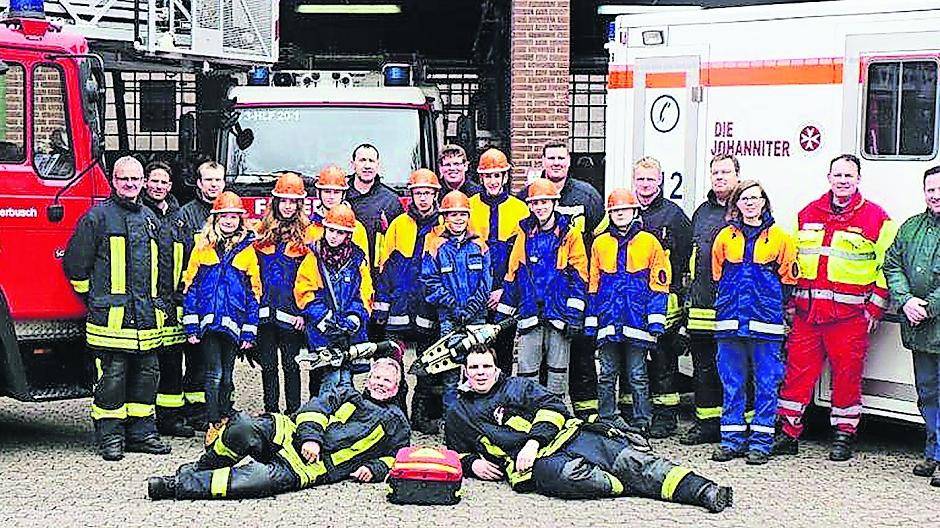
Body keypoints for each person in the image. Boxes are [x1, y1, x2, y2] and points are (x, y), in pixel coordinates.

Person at [444, 346, 733, 513]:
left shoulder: (519, 386)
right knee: (567, 478)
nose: (481, 372)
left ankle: (705, 491)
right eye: (474, 367)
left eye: (486, 366)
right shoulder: (459, 412)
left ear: (496, 369)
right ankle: (631, 485)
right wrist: (473, 464)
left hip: (571, 437)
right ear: (464, 372)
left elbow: (554, 407)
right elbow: (454, 451)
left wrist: (533, 442)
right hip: (539, 465)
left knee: (632, 462)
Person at [146, 358, 410, 500]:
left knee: (252, 480)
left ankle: (175, 486)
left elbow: (398, 458)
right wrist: (311, 438)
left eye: (387, 380)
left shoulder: (397, 423)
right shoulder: (346, 393)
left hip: (309, 466)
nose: (380, 384)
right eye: (376, 377)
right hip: (288, 432)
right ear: (368, 379)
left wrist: (374, 469)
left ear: (397, 388)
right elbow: (314, 409)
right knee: (241, 429)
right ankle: (201, 467)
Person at [775, 154, 896, 462]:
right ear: (828, 178)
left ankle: (844, 434)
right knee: (797, 374)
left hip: (850, 317)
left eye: (849, 176)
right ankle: (788, 433)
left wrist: (874, 309)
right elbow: (791, 263)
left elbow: (889, 267)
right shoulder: (806, 213)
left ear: (858, 179)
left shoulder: (876, 218)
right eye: (838, 175)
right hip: (807, 314)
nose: (843, 181)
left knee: (847, 375)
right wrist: (790, 303)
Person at [63, 156, 172, 460]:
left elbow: (163, 269)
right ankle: (110, 437)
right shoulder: (96, 218)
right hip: (111, 321)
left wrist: (159, 305)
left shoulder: (151, 218)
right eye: (124, 178)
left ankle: (142, 433)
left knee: (147, 376)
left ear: (142, 183)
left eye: (135, 179)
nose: (130, 184)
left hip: (147, 320)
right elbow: (75, 266)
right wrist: (96, 300)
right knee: (112, 379)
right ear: (113, 180)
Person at [710, 181, 797, 465]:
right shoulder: (724, 237)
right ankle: (731, 441)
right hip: (730, 322)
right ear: (736, 204)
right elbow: (717, 277)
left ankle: (761, 443)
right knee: (732, 383)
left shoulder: (781, 238)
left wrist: (773, 308)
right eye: (744, 198)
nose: (749, 203)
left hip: (766, 323)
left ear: (764, 202)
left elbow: (789, 280)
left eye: (754, 198)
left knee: (766, 383)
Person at [521, 141, 605, 418]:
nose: (556, 162)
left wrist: (575, 311)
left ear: (568, 160)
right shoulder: (527, 201)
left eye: (561, 157)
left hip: (565, 302)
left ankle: (579, 417)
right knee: (534, 367)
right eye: (551, 158)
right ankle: (533, 417)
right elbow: (516, 270)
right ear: (542, 162)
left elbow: (596, 244)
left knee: (574, 363)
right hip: (536, 308)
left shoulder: (587, 196)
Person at [586, 188, 670, 437]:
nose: (620, 214)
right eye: (615, 211)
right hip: (610, 320)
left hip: (637, 321)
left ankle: (642, 420)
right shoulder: (600, 243)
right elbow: (593, 284)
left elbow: (659, 284)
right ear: (609, 214)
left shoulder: (649, 242)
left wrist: (656, 321)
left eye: (624, 210)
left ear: (634, 212)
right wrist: (592, 321)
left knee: (637, 374)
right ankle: (607, 418)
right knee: (607, 374)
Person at [499, 178, 588, 405]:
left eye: (544, 202)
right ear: (529, 206)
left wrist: (574, 316)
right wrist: (502, 318)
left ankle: (556, 415)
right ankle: (528, 414)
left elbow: (580, 277)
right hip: (530, 313)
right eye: (535, 203)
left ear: (554, 203)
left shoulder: (570, 234)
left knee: (558, 372)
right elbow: (513, 274)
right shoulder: (524, 234)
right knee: (527, 371)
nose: (540, 207)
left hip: (558, 315)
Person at [182, 191, 262, 435]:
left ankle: (226, 417)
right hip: (208, 326)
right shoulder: (203, 248)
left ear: (241, 220)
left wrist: (249, 331)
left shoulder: (248, 250)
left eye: (233, 217)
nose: (228, 221)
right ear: (214, 219)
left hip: (234, 326)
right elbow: (191, 287)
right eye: (223, 216)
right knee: (214, 374)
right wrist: (191, 327)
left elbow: (253, 293)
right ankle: (213, 422)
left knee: (227, 376)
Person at [375, 169, 444, 433]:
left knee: (428, 368)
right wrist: (382, 306)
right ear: (411, 195)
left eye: (427, 193)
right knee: (393, 364)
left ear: (435, 195)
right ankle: (396, 414)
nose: (423, 198)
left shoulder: (443, 227)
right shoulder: (398, 225)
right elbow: (384, 268)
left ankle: (422, 417)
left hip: (428, 308)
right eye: (418, 193)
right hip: (398, 310)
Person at [884, 165, 940, 485]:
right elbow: (892, 264)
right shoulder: (911, 227)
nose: (936, 195)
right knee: (927, 393)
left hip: (931, 319)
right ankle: (933, 451)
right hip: (919, 330)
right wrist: (905, 299)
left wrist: (928, 306)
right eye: (930, 189)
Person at [630, 157, 692, 439]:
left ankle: (665, 417)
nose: (645, 184)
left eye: (650, 179)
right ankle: (635, 412)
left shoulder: (674, 216)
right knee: (633, 359)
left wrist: (679, 297)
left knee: (663, 359)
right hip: (630, 301)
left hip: (664, 300)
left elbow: (683, 261)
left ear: (660, 180)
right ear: (634, 181)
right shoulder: (624, 211)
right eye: (641, 179)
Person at [681, 154, 739, 445]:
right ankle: (706, 424)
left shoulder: (745, 209)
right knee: (703, 366)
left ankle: (736, 425)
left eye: (726, 172)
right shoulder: (702, 212)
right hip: (702, 303)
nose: (720, 177)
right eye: (715, 172)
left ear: (737, 176)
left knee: (735, 367)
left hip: (733, 304)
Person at [421, 190, 492, 414]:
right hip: (449, 319)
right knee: (451, 373)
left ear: (468, 216)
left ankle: (479, 416)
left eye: (462, 214)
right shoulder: (435, 244)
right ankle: (453, 421)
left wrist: (472, 307)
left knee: (479, 369)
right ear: (444, 217)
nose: (458, 219)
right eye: (453, 215)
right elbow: (429, 281)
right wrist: (452, 304)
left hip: (477, 317)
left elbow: (486, 280)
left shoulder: (479, 244)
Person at [294, 203, 373, 396]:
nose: (333, 236)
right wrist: (323, 317)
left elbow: (364, 293)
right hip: (322, 330)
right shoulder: (313, 258)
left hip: (348, 332)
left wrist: (355, 317)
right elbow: (304, 291)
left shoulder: (357, 260)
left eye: (339, 232)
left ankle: (339, 422)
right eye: (330, 230)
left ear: (348, 235)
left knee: (344, 378)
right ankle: (318, 420)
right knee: (323, 379)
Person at [142, 161, 193, 438]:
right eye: (155, 181)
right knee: (148, 367)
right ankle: (145, 422)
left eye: (164, 182)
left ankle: (171, 420)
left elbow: (188, 260)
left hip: (173, 303)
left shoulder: (178, 217)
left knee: (173, 364)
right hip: (148, 304)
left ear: (170, 186)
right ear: (146, 183)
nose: (159, 186)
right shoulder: (140, 213)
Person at [176, 160, 227, 429]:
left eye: (218, 180)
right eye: (208, 180)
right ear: (198, 183)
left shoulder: (230, 214)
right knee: (191, 354)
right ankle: (190, 410)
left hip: (221, 303)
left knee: (211, 360)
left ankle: (206, 410)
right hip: (195, 298)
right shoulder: (186, 216)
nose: (214, 185)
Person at [254, 172, 310, 415]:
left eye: (292, 202)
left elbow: (311, 280)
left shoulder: (308, 235)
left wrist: (304, 313)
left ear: (299, 204)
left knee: (291, 365)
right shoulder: (259, 232)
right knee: (267, 366)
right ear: (275, 202)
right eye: (283, 201)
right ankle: (270, 413)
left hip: (292, 315)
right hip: (264, 316)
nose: (287, 206)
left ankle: (294, 412)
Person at [469, 148, 530, 374]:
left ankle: (501, 402)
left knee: (503, 348)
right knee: (475, 350)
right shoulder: (469, 206)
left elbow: (520, 259)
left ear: (505, 177)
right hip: (475, 292)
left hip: (506, 292)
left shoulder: (520, 209)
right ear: (481, 178)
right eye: (488, 176)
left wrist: (503, 290)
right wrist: (480, 291)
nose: (493, 181)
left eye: (497, 175)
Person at [345, 143, 404, 264]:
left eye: (371, 161)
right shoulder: (340, 195)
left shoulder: (391, 201)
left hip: (378, 272)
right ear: (353, 164)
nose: (367, 166)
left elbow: (398, 243)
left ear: (378, 165)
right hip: (343, 271)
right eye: (362, 160)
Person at [308, 165, 371, 261]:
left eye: (337, 192)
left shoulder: (356, 229)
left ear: (343, 194)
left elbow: (364, 268)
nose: (331, 197)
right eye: (327, 191)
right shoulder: (310, 228)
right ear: (318, 193)